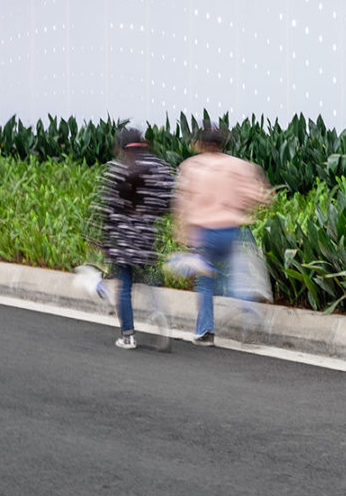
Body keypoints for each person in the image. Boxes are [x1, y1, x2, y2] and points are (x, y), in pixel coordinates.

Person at [172, 120, 272, 346]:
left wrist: (180, 234)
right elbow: (258, 195)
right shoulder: (239, 166)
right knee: (235, 271)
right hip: (229, 230)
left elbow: (182, 203)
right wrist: (240, 208)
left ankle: (205, 331)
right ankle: (246, 302)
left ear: (201, 143)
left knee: (205, 281)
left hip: (203, 233)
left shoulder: (190, 166)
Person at [93, 127, 175, 350]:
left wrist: (104, 240)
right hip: (146, 235)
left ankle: (128, 336)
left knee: (124, 286)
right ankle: (159, 315)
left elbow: (106, 208)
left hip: (121, 237)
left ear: (121, 147)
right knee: (149, 280)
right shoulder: (158, 167)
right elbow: (169, 199)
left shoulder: (116, 169)